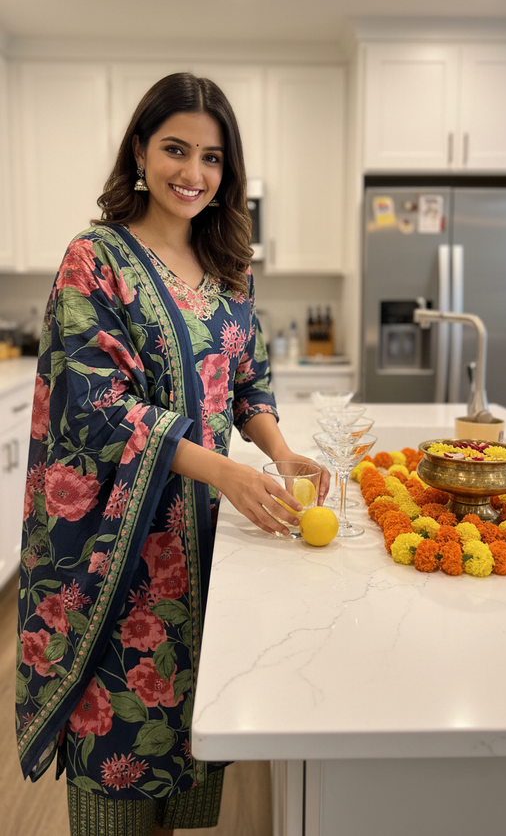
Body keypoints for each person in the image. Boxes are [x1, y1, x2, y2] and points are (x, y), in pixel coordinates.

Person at [16, 72, 329, 836]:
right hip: (119, 550)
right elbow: (92, 404)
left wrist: (280, 453)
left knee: (186, 745)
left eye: (212, 158)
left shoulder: (229, 265)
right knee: (114, 757)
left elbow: (248, 381)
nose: (193, 173)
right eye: (175, 149)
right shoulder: (96, 257)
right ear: (139, 151)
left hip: (202, 552)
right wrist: (226, 469)